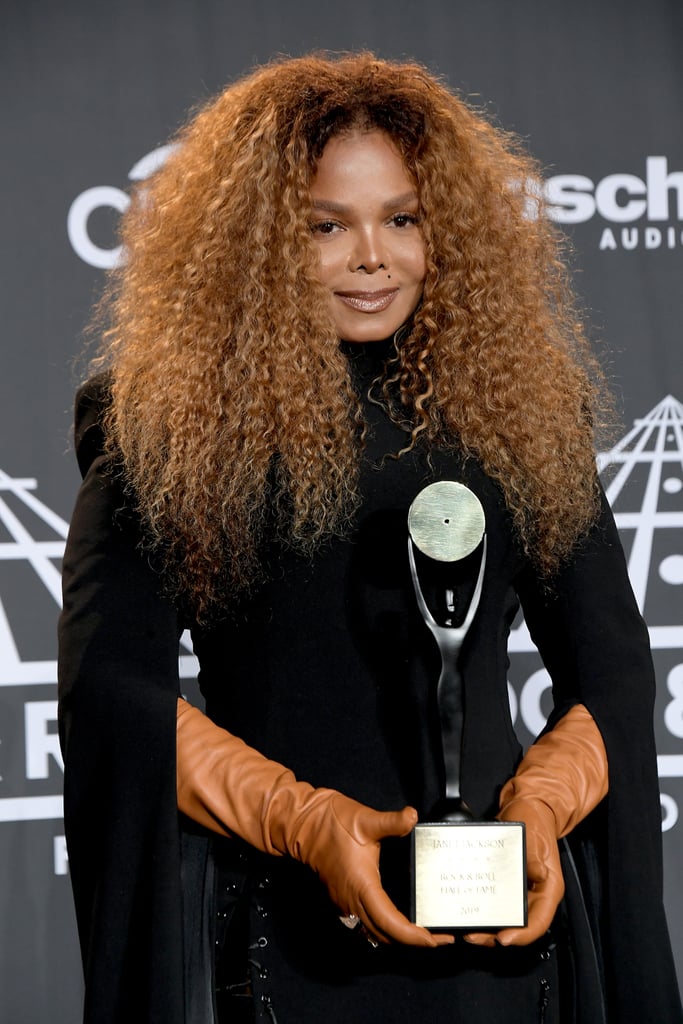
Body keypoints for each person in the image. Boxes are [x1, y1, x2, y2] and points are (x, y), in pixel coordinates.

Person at [57, 53, 682, 1024]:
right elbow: (118, 695)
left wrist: (535, 815)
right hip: (285, 946)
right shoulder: (162, 426)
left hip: (502, 944)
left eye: (402, 217)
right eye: (324, 225)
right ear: (257, 241)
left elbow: (611, 679)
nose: (371, 257)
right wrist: (310, 824)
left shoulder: (523, 414)